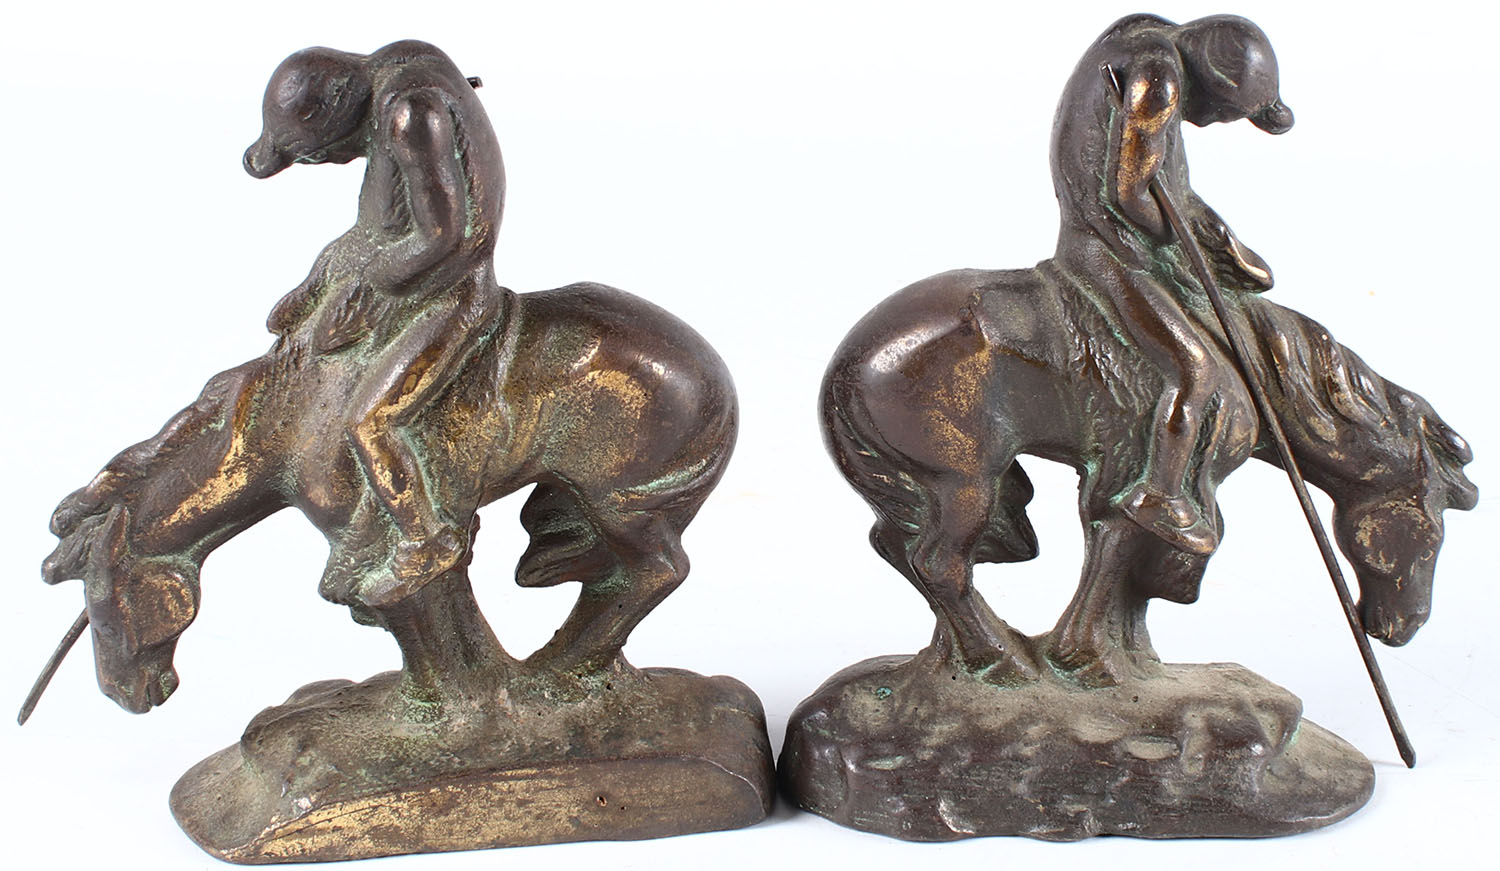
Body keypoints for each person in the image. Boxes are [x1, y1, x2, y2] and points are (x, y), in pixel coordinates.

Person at [55, 41, 507, 604]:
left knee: (369, 423)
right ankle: (115, 485)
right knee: (259, 366)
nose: (326, 163)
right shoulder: (394, 67)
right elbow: (374, 228)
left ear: (335, 117)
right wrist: (325, 280)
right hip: (390, 262)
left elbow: (445, 237)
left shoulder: (410, 116)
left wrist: (366, 286)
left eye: (312, 156)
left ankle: (425, 537)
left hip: (445, 288)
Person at [1049, 14, 1295, 554]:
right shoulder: (1157, 76)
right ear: (1212, 81)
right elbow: (1131, 196)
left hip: (1129, 241)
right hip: (1108, 248)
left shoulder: (1149, 38)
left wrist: (1219, 237)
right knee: (1195, 369)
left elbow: (1166, 184)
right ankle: (1159, 493)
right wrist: (1191, 245)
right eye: (1226, 112)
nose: (1217, 122)